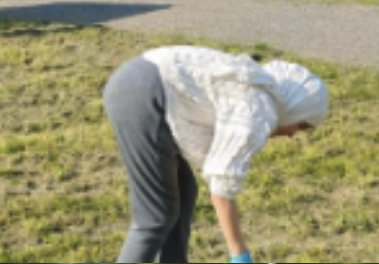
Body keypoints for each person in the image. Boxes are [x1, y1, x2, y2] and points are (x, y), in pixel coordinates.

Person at [104, 47, 330, 264]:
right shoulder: (258, 110)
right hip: (143, 95)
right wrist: (239, 254)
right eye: (301, 125)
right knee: (155, 216)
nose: (292, 134)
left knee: (184, 192)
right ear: (296, 106)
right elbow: (222, 187)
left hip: (144, 82)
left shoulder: (255, 90)